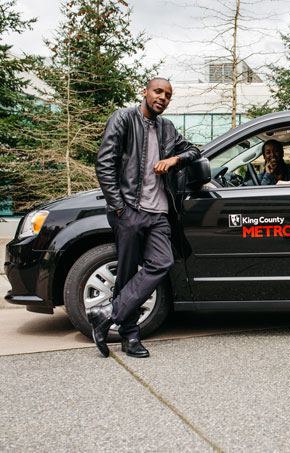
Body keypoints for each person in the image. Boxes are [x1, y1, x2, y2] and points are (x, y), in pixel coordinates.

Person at [88, 77, 200, 359]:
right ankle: (129, 336)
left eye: (168, 95)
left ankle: (107, 314)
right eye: (158, 92)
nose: (163, 97)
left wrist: (174, 160)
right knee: (126, 274)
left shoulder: (167, 128)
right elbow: (104, 164)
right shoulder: (124, 119)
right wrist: (118, 208)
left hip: (159, 212)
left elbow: (193, 151)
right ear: (146, 92)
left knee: (162, 262)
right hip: (130, 210)